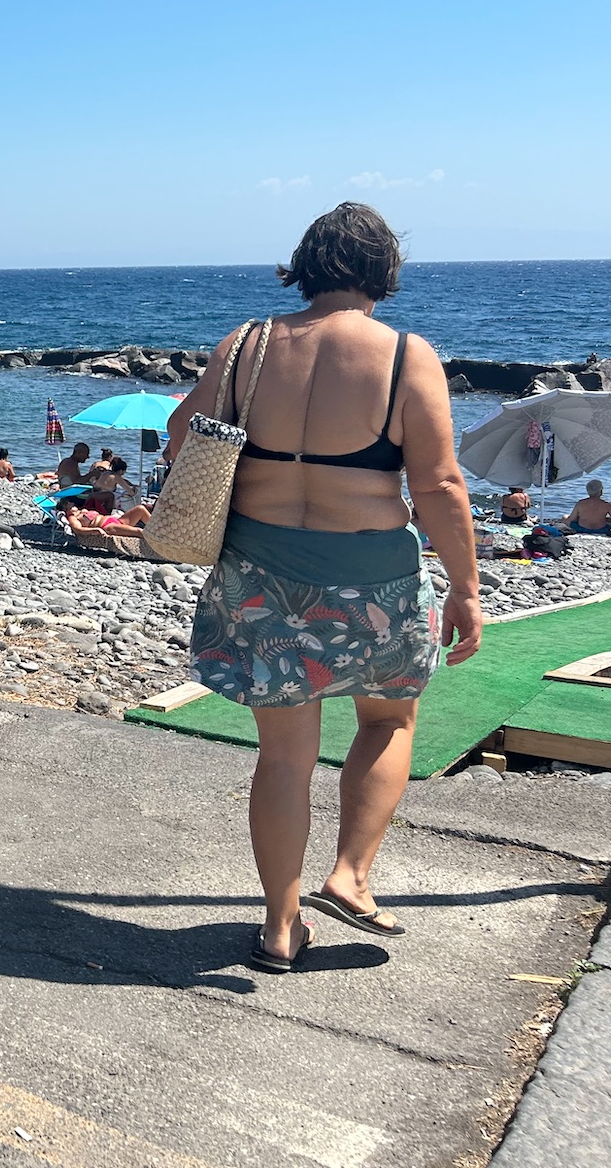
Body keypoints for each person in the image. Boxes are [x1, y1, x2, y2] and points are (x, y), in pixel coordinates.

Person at [165, 202, 482, 974]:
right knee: (388, 723)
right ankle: (352, 876)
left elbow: (183, 435)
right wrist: (466, 586)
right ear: (384, 271)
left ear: (305, 265)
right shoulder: (406, 355)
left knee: (283, 758)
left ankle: (280, 926)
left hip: (261, 573)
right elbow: (437, 483)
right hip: (371, 577)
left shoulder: (245, 345)